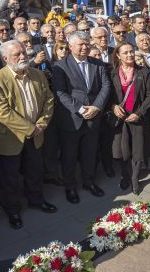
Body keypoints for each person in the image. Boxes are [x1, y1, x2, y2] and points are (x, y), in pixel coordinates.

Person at [0, 41, 57, 229]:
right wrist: (30, 128)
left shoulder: (37, 74)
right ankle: (13, 210)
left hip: (37, 133)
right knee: (9, 178)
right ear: (5, 59)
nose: (23, 57)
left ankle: (36, 200)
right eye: (17, 54)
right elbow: (2, 112)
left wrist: (41, 124)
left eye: (24, 52)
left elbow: (49, 99)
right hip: (9, 138)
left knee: (35, 170)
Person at [52, 31, 111, 204]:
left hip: (94, 117)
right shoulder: (60, 66)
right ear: (71, 46)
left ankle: (88, 182)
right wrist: (80, 109)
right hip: (71, 119)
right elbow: (60, 92)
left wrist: (97, 107)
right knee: (69, 156)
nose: (85, 47)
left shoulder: (97, 64)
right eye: (81, 44)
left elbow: (106, 86)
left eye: (87, 44)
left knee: (89, 153)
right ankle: (70, 187)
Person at [109, 43, 150, 195]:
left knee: (137, 149)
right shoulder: (112, 72)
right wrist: (114, 107)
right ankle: (125, 175)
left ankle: (135, 178)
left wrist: (139, 113)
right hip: (119, 118)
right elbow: (107, 94)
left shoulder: (143, 71)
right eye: (125, 52)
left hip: (136, 117)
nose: (129, 55)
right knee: (122, 150)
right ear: (118, 55)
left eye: (131, 52)